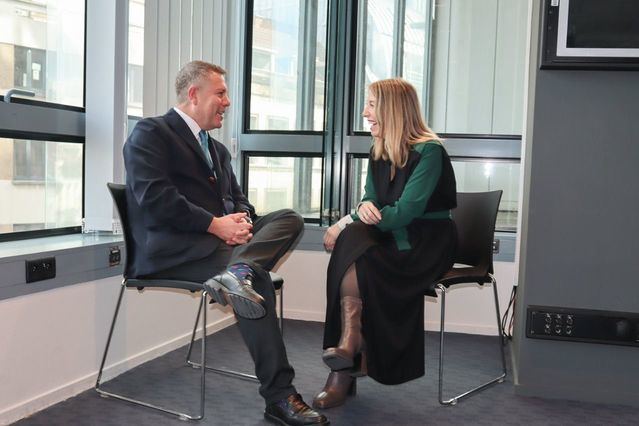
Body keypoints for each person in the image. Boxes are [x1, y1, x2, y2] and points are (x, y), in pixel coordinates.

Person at [123, 60, 328, 426]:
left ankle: (238, 270)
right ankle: (280, 397)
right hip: (174, 252)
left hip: (221, 247)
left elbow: (239, 199)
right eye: (220, 93)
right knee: (257, 281)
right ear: (194, 94)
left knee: (289, 218)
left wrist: (243, 221)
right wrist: (216, 225)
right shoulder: (151, 133)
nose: (228, 101)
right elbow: (154, 198)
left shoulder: (217, 151)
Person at [313, 78, 457, 409]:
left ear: (393, 109)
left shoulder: (430, 151)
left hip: (425, 241)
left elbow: (403, 213)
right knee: (355, 245)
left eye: (372, 105)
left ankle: (345, 367)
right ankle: (350, 345)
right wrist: (359, 211)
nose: (365, 113)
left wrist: (349, 220)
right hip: (390, 234)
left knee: (357, 247)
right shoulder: (377, 151)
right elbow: (371, 200)